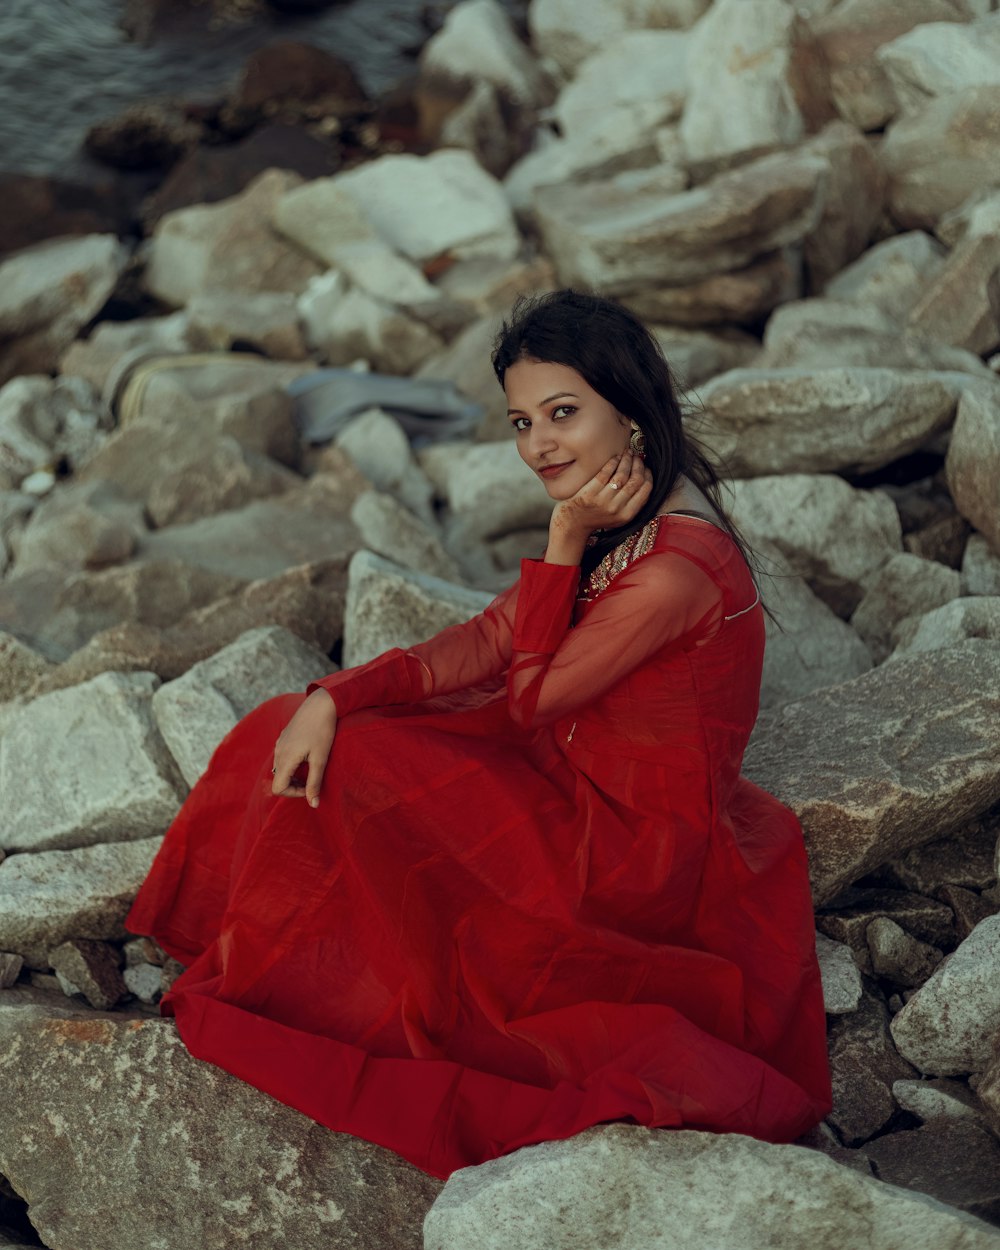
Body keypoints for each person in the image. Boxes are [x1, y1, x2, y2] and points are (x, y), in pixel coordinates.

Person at [126, 289, 832, 1181]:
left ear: (631, 405)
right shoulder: (633, 508)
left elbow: (531, 695)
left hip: (623, 852)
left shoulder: (675, 570)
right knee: (294, 726)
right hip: (570, 771)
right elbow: (495, 638)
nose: (539, 445)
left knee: (358, 782)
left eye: (564, 414)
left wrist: (564, 537)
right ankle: (251, 941)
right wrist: (337, 693)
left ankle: (293, 976)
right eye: (523, 421)